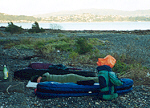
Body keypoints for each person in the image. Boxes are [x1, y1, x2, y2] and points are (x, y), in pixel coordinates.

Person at [31, 72, 99, 84]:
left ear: (39, 77)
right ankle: (99, 79)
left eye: (38, 80)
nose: (39, 82)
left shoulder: (44, 78)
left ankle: (100, 79)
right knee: (86, 79)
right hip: (69, 78)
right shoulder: (45, 77)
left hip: (71, 78)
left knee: (87, 79)